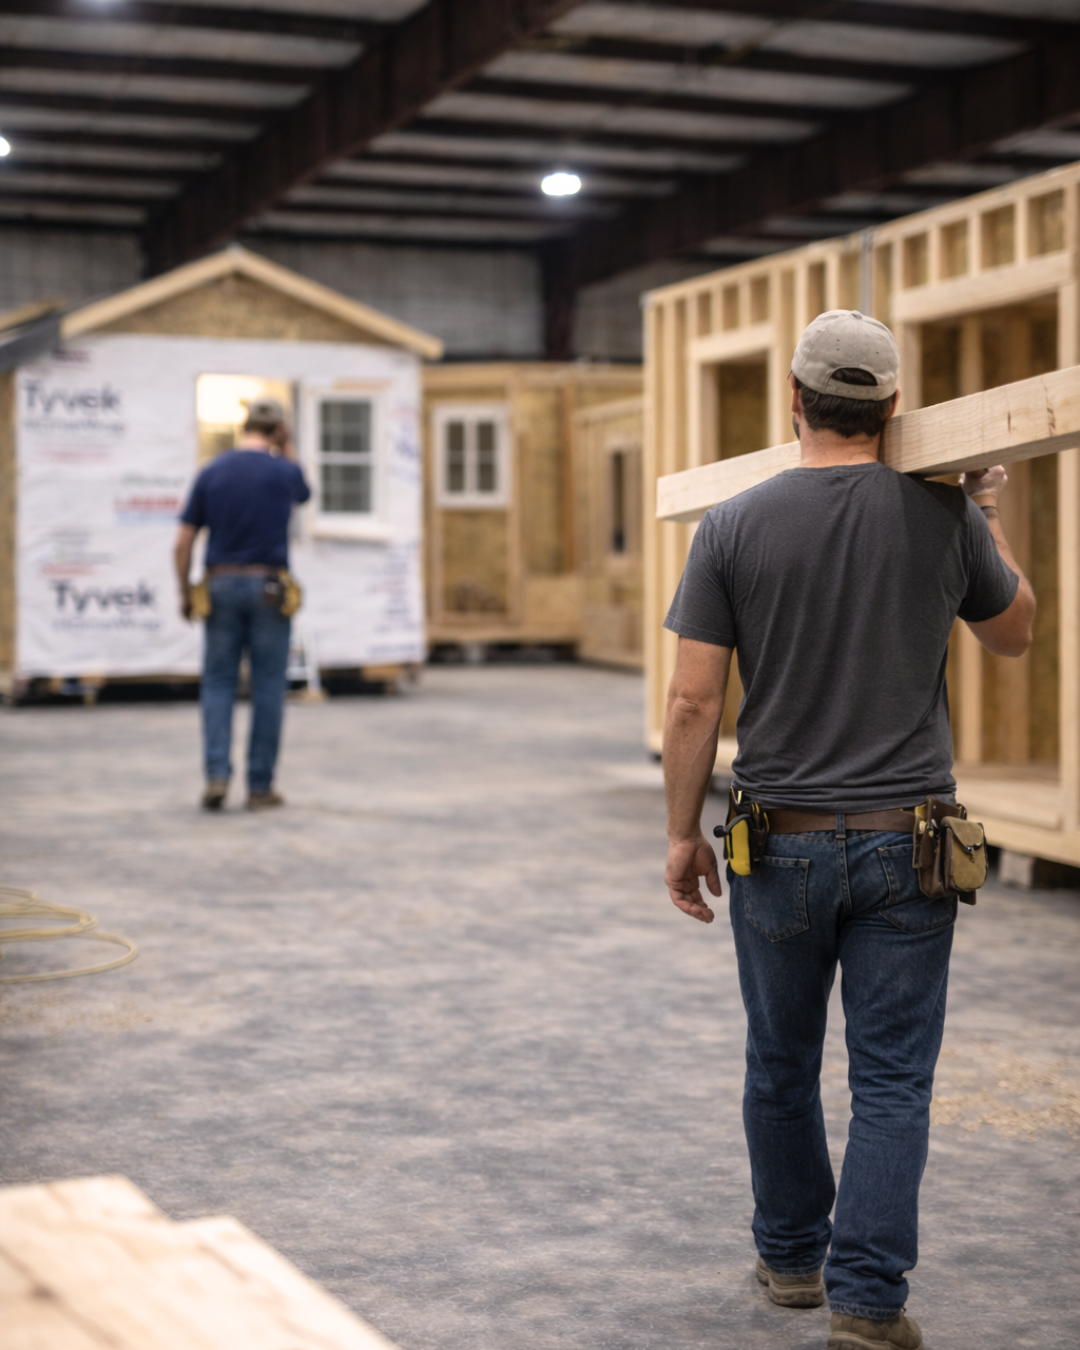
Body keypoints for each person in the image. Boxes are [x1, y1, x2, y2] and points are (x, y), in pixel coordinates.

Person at [661, 310, 1034, 1350]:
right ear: (895, 408)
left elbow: (694, 704)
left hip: (773, 840)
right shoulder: (942, 519)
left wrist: (682, 833)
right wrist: (982, 512)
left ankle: (790, 1260)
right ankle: (867, 1303)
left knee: (779, 1061)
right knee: (892, 1079)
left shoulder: (732, 524)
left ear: (793, 400)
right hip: (907, 845)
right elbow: (1017, 633)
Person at [174, 397, 311, 811]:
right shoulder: (284, 471)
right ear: (277, 432)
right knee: (268, 685)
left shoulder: (211, 472)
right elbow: (305, 493)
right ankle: (259, 785)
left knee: (218, 682)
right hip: (268, 584)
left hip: (219, 585)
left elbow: (182, 543)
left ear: (242, 428)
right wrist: (286, 448)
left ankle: (217, 774)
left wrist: (185, 591)